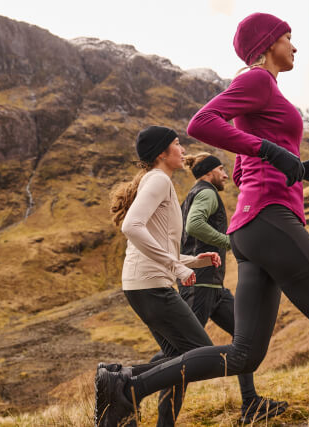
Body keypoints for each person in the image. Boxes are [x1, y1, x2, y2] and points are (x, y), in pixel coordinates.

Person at [96, 13, 309, 427]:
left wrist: (301, 169)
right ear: (268, 44)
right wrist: (272, 152)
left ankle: (127, 387)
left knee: (245, 354)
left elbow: (241, 171)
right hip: (270, 219)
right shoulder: (257, 80)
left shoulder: (260, 92)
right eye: (289, 38)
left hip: (251, 228)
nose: (295, 46)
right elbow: (202, 123)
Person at [101, 125, 221, 427]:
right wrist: (177, 267)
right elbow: (132, 226)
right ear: (162, 153)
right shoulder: (157, 180)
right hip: (151, 286)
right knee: (201, 354)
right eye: (178, 144)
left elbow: (158, 244)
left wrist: (192, 261)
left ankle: (135, 395)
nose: (183, 150)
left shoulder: (159, 181)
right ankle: (124, 384)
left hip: (144, 284)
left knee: (178, 357)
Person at [178, 152, 288, 423]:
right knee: (178, 349)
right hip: (200, 286)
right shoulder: (206, 193)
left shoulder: (196, 193)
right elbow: (194, 225)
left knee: (244, 339)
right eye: (221, 169)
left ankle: (250, 403)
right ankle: (128, 382)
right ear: (208, 173)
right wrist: (230, 243)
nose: (226, 175)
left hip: (213, 288)